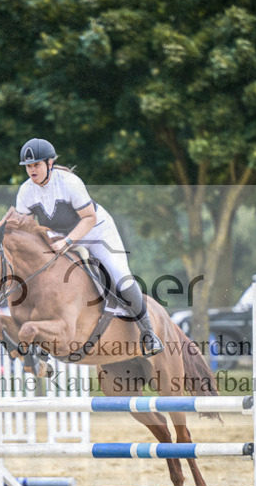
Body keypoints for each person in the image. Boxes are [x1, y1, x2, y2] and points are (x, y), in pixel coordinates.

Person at [14, 137, 163, 356]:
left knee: (120, 275)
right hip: (60, 236)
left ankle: (148, 332)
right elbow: (25, 229)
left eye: (36, 164)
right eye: (28, 166)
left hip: (96, 232)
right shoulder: (25, 191)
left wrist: (67, 242)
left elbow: (88, 218)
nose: (31, 170)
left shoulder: (69, 182)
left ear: (50, 163)